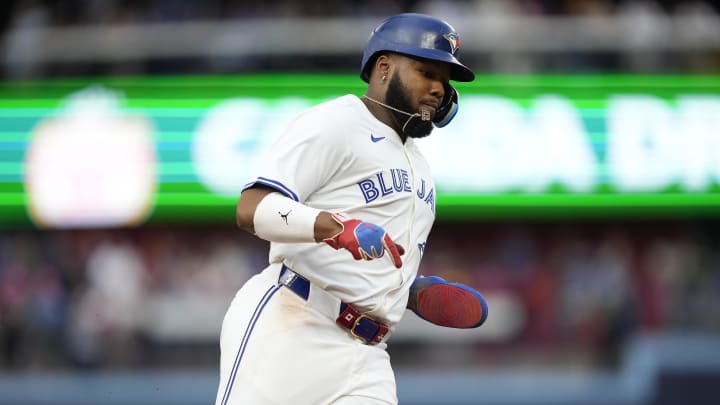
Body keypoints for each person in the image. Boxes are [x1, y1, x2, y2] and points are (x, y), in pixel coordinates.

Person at [215, 13, 488, 405]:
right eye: (426, 72)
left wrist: (407, 291)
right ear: (384, 68)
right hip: (294, 323)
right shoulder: (336, 121)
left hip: (370, 355)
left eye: (445, 82)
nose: (437, 90)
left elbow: (376, 255)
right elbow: (252, 208)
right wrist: (333, 227)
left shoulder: (421, 167)